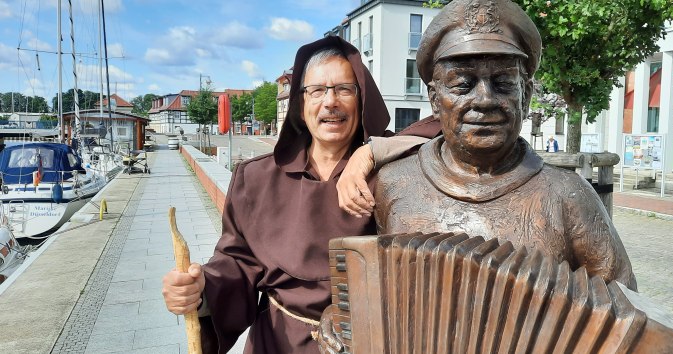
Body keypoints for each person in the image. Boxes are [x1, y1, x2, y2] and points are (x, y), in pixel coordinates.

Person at [161, 36, 436, 353]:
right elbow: (237, 263)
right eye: (317, 90)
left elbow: (449, 124)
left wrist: (369, 154)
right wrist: (201, 292)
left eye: (344, 89)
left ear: (362, 101)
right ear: (300, 105)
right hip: (280, 342)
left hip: (370, 343)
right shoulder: (255, 178)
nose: (330, 101)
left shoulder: (392, 173)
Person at [338, 0, 636, 290]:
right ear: (434, 99)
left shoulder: (570, 197)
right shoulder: (394, 183)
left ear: (526, 95)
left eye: (503, 82)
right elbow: (378, 285)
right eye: (462, 84)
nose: (484, 100)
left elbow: (631, 317)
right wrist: (343, 320)